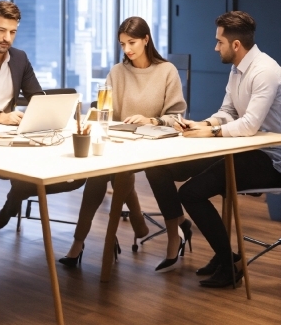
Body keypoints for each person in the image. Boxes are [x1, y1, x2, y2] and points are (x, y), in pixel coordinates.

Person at [146, 10, 281, 288]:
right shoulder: (237, 68)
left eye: (219, 42)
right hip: (244, 150)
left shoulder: (266, 71)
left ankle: (229, 262)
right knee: (160, 169)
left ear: (235, 45)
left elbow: (250, 124)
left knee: (191, 192)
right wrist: (203, 123)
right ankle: (217, 253)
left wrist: (212, 131)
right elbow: (228, 111)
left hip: (272, 159)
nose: (215, 47)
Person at [59, 16, 189, 270]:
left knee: (118, 175)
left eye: (132, 42)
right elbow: (105, 111)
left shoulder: (166, 71)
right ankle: (79, 242)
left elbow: (176, 117)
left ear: (146, 40)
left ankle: (131, 229)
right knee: (98, 176)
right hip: (122, 142)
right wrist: (90, 116)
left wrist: (150, 119)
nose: (127, 49)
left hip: (153, 145)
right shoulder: (117, 72)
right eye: (122, 44)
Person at [0, 0, 84, 229]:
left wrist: (51, 113)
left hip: (11, 135)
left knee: (77, 176)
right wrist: (0, 116)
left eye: (13, 32)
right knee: (27, 174)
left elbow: (37, 96)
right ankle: (16, 198)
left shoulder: (19, 58)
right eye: (1, 30)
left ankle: (15, 199)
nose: (7, 39)